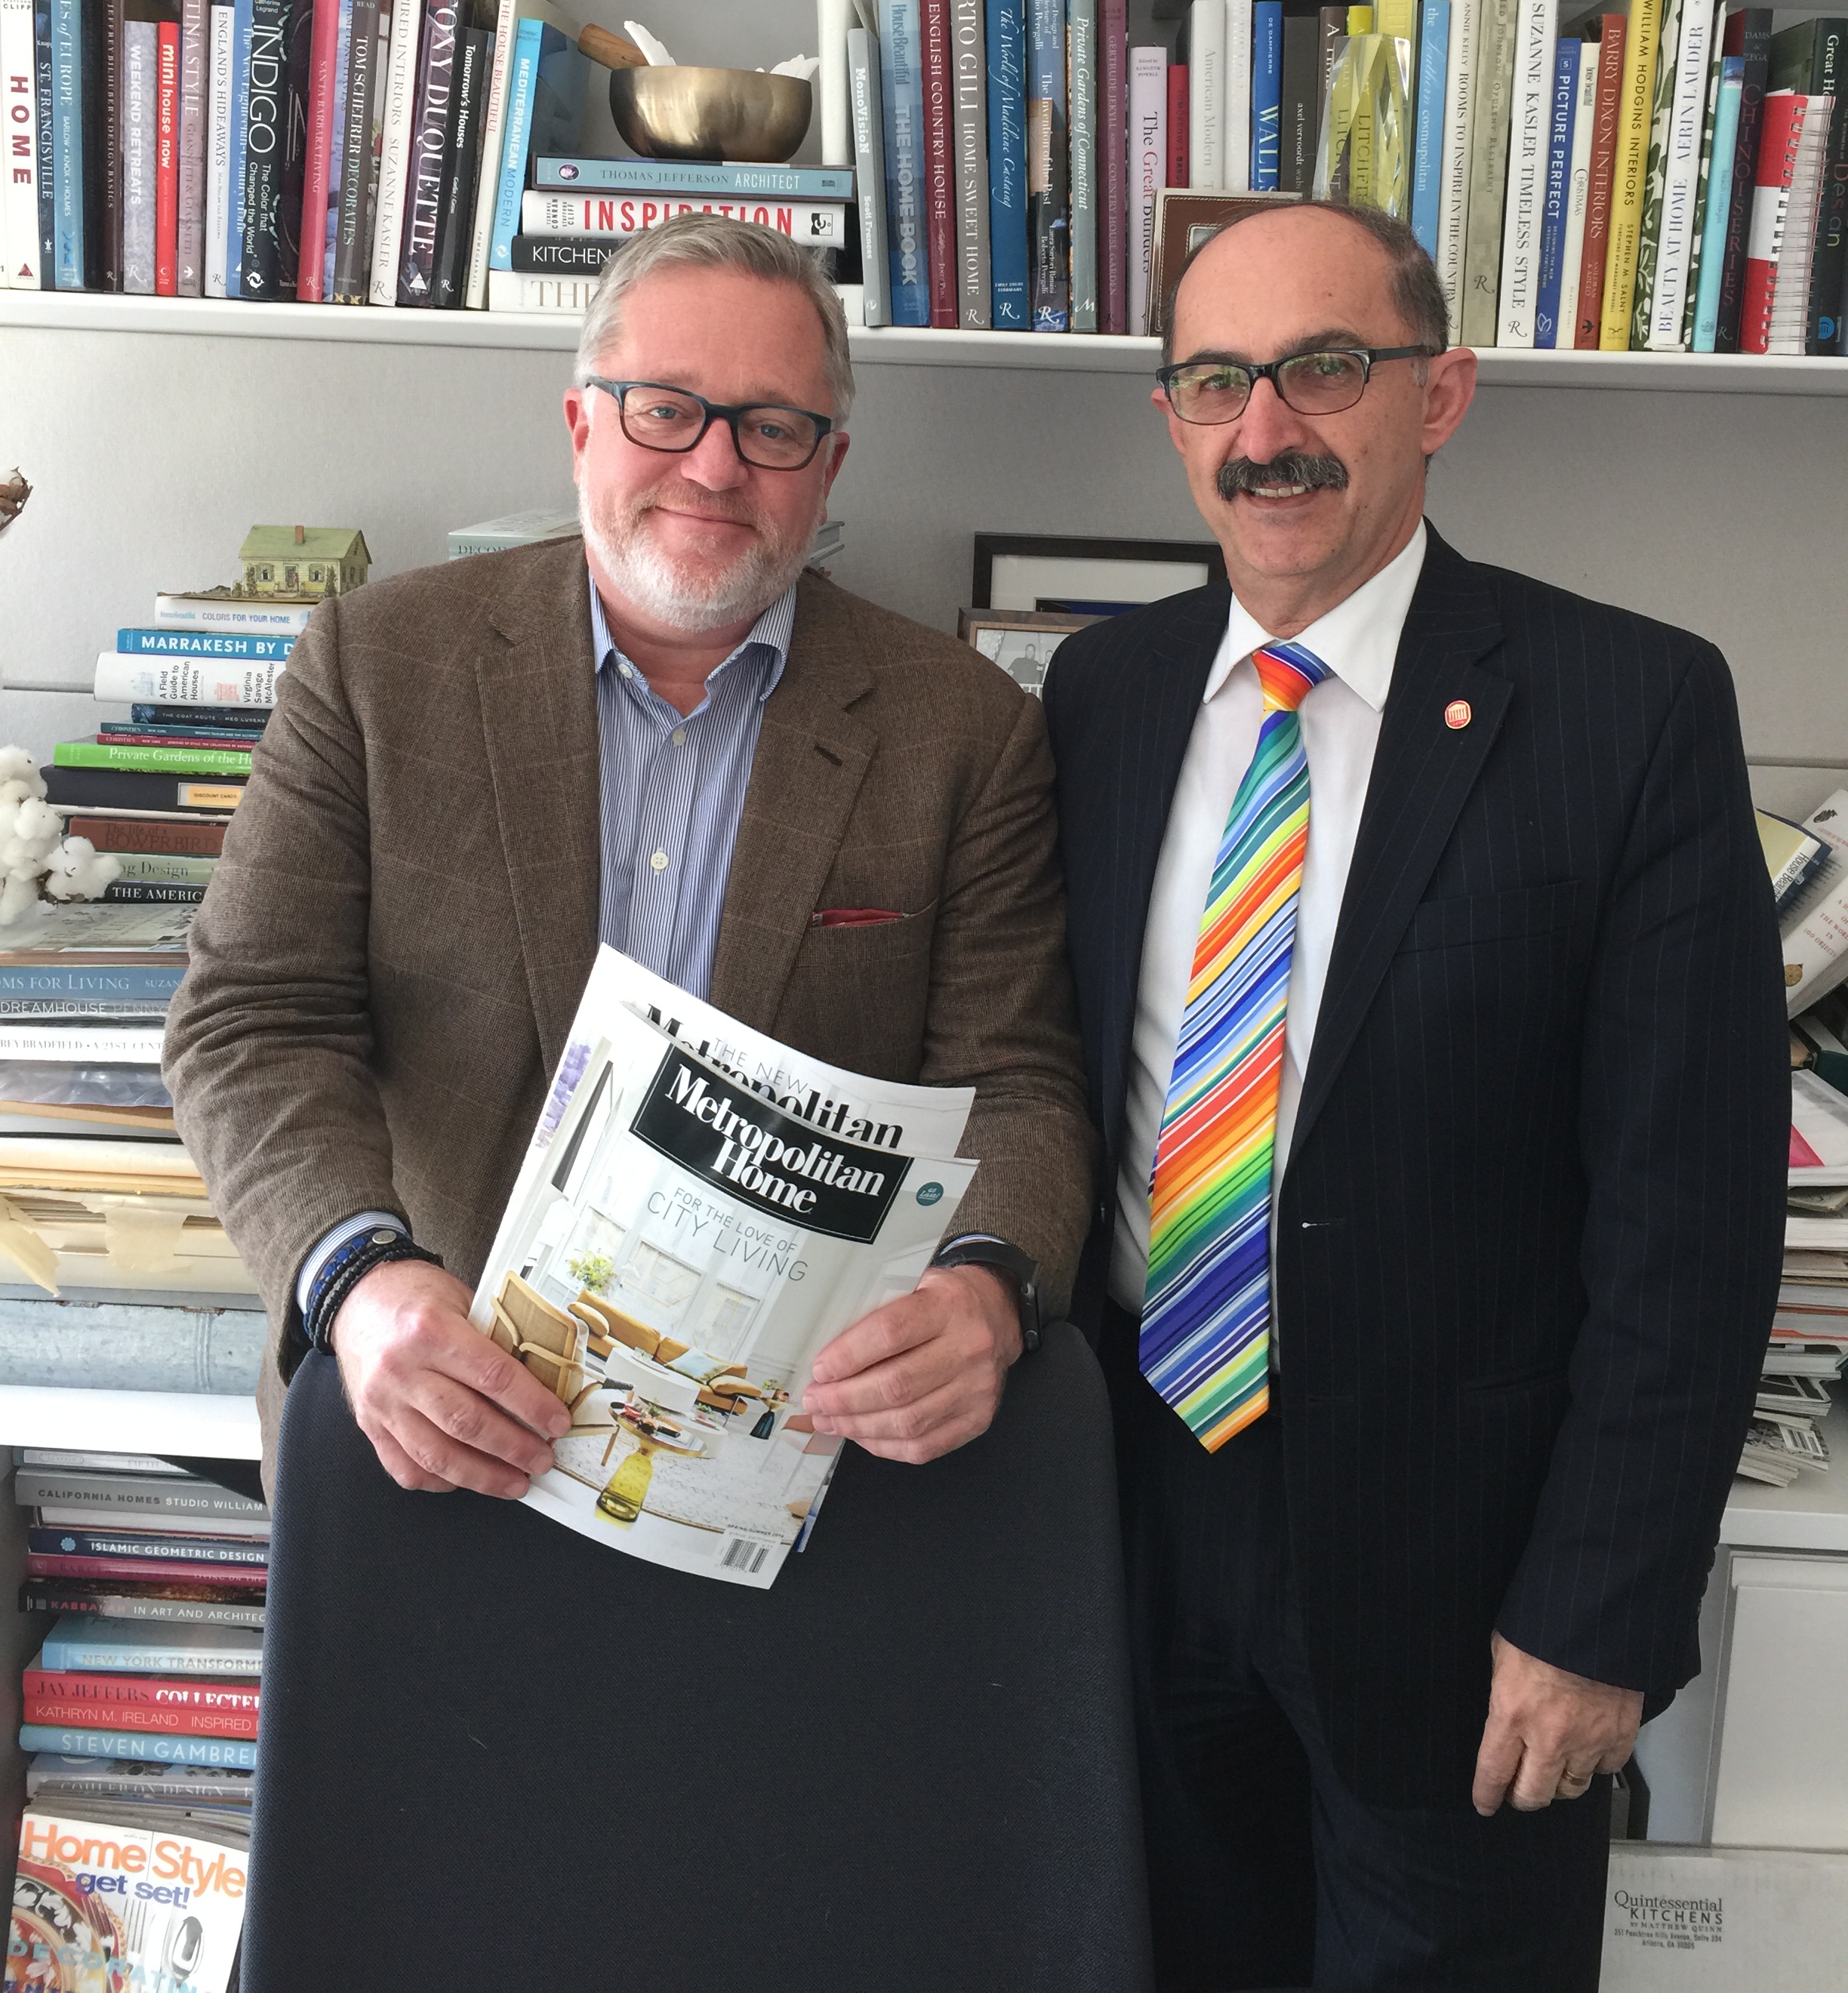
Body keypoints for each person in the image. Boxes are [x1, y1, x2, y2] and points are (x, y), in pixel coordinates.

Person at [1040, 202, 1788, 1993]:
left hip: (1465, 1570)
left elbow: (1690, 1224)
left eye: (1323, 369)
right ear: (1171, 416)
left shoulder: (1628, 707)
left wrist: (1600, 1610)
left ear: (1437, 394)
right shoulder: (1101, 692)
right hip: (1135, 1520)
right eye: (1217, 381)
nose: (1265, 430)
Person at [165, 213, 1095, 1500]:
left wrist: (988, 1280)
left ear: (828, 466)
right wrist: (357, 1279)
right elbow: (252, 1021)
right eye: (665, 409)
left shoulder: (965, 730)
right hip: (431, 1419)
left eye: (773, 428)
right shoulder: (376, 668)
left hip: (811, 1457)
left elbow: (1017, 1084)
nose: (714, 468)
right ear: (581, 424)